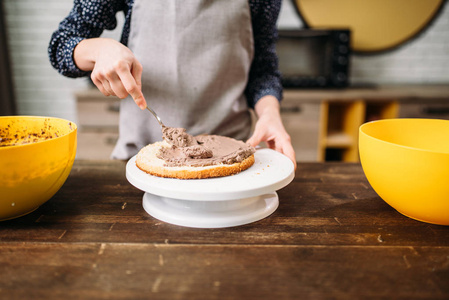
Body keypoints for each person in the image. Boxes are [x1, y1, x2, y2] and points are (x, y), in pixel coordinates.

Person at [48, 0, 296, 169]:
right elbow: (62, 44)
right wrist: (98, 49)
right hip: (144, 159)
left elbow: (262, 68)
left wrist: (270, 114)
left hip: (229, 159)